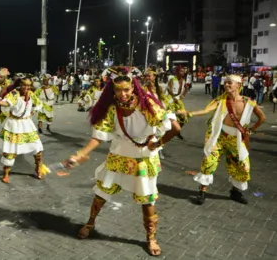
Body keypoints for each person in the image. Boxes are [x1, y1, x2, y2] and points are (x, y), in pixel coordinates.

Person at [63, 66, 180, 256]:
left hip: (143, 159)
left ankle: (151, 238)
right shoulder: (112, 108)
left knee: (147, 201)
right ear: (112, 90)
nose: (123, 94)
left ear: (134, 87)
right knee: (101, 193)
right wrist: (79, 154)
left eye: (126, 89)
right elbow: (99, 136)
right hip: (118, 156)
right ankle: (90, 222)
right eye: (118, 90)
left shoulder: (147, 104)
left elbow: (174, 127)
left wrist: (158, 143)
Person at [179, 75, 265, 205]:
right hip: (219, 136)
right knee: (209, 162)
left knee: (242, 165)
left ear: (238, 85)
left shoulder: (248, 102)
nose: (226, 85)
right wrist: (189, 113)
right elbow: (206, 110)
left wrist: (251, 130)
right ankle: (202, 192)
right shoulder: (221, 100)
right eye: (225, 83)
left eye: (229, 83)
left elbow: (262, 118)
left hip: (236, 139)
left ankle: (235, 192)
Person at [0, 75, 44, 184]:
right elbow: (7, 102)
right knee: (10, 150)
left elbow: (39, 103)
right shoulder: (14, 93)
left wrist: (32, 112)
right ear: (20, 85)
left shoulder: (31, 94)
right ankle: (6, 173)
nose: (26, 88)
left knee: (37, 147)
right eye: (24, 85)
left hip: (27, 124)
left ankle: (38, 167)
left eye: (29, 86)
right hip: (13, 125)